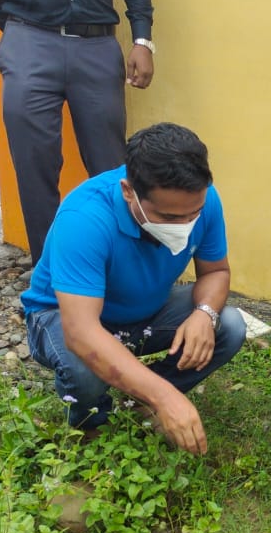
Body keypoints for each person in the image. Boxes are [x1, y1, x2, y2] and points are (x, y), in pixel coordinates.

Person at [20, 122, 245, 453]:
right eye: (169, 216)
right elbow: (81, 333)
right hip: (62, 318)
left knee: (229, 325)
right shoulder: (85, 218)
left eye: (192, 215)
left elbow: (216, 272)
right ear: (129, 192)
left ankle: (138, 402)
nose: (184, 225)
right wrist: (165, 396)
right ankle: (91, 426)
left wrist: (204, 313)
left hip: (144, 312)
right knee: (84, 366)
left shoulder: (205, 200)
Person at [0, 0, 156, 265]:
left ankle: (119, 264)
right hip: (29, 42)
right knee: (34, 163)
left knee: (110, 164)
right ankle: (50, 271)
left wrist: (142, 39)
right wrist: (14, 26)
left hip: (97, 45)